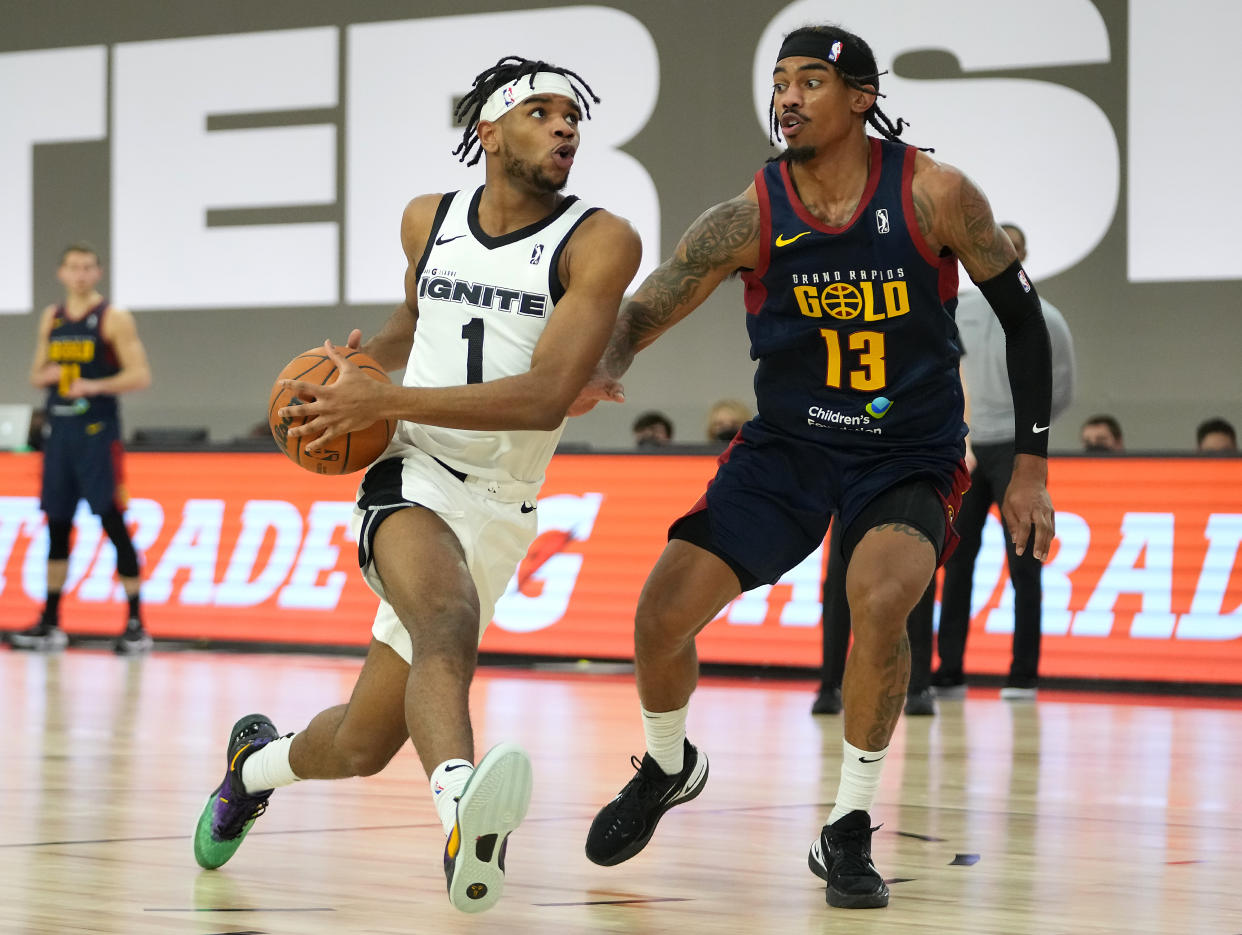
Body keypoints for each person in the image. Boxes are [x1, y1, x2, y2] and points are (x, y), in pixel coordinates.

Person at [570, 24, 1054, 911]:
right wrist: (607, 360)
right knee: (657, 617)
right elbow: (653, 300)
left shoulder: (935, 193)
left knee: (880, 598)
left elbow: (1022, 321)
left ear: (862, 98)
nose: (787, 97)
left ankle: (847, 825)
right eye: (780, 82)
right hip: (789, 447)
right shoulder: (750, 214)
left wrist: (1029, 464)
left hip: (908, 450)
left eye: (810, 82)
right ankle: (670, 765)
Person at [191, 56, 641, 915]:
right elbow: (414, 321)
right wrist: (351, 374)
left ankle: (251, 767)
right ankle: (465, 812)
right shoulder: (427, 220)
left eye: (571, 117)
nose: (564, 128)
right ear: (489, 130)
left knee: (361, 744)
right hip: (414, 469)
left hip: (504, 499)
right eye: (541, 112)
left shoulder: (600, 239)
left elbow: (548, 394)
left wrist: (382, 390)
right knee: (448, 619)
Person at [933, 223, 1077, 700]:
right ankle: (949, 671)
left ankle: (1023, 674)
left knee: (1026, 564)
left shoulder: (1046, 319)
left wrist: (1027, 441)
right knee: (956, 563)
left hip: (1018, 453)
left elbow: (1058, 391)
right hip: (969, 449)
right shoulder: (958, 314)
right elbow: (944, 378)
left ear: (1024, 256)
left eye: (1011, 251)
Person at [8, 244, 153, 654]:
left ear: (98, 272)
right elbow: (36, 374)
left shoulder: (112, 318)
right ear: (61, 273)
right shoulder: (52, 317)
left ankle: (136, 623)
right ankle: (50, 622)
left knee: (111, 519)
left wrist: (95, 385)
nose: (81, 274)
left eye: (88, 267)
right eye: (73, 267)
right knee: (56, 525)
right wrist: (49, 374)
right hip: (60, 433)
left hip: (96, 432)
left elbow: (140, 374)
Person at [813, 516, 937, 716]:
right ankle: (829, 685)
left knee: (918, 577)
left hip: (910, 492)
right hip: (854, 493)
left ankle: (919, 686)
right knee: (838, 582)